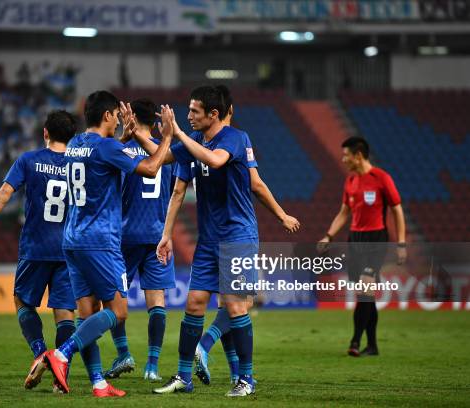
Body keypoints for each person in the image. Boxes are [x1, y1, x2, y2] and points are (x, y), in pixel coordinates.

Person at [132, 86, 298, 397]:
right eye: (188, 110)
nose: (189, 115)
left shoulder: (234, 138)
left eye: (194, 111)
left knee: (235, 305)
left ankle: (245, 379)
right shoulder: (193, 141)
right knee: (194, 302)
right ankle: (183, 376)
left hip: (237, 234)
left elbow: (217, 161)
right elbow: (164, 159)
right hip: (208, 239)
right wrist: (166, 235)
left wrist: (281, 215)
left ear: (214, 114)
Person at [44, 91, 173, 398]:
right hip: (100, 241)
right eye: (116, 114)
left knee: (87, 313)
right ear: (106, 116)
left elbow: (103, 162)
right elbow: (153, 167)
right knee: (119, 311)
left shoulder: (75, 144)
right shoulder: (106, 146)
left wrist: (126, 139)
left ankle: (98, 382)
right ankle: (61, 354)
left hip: (72, 239)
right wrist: (166, 137)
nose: (119, 119)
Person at [192, 85, 296, 386]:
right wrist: (281, 215)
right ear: (229, 111)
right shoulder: (237, 138)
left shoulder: (209, 140)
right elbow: (257, 184)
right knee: (242, 304)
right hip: (238, 232)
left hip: (214, 234)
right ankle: (210, 350)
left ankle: (234, 371)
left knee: (231, 304)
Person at [0, 110, 78, 392]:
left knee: (22, 300)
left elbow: (4, 193)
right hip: (70, 249)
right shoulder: (80, 165)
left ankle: (40, 353)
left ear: (45, 132)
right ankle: (60, 370)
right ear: (73, 136)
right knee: (65, 312)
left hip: (35, 247)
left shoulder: (29, 160)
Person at [103, 98, 175, 382]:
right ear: (155, 122)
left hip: (123, 236)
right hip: (158, 236)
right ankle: (152, 368)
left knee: (114, 300)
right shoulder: (165, 152)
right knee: (157, 303)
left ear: (129, 118)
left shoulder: (119, 151)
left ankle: (123, 353)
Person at [318, 137, 406, 357]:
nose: (344, 158)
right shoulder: (350, 181)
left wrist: (401, 243)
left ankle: (355, 341)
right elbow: (344, 212)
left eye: (346, 154)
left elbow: (397, 209)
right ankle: (373, 345)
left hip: (377, 240)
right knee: (365, 295)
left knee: (365, 287)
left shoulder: (381, 178)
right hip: (355, 240)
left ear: (358, 155)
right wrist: (329, 235)